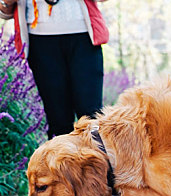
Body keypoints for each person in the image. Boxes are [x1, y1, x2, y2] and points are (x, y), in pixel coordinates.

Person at [0, 0, 109, 139]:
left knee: (91, 117)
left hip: (83, 37)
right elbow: (4, 10)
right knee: (58, 121)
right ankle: (63, 160)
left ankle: (97, 159)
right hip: (40, 41)